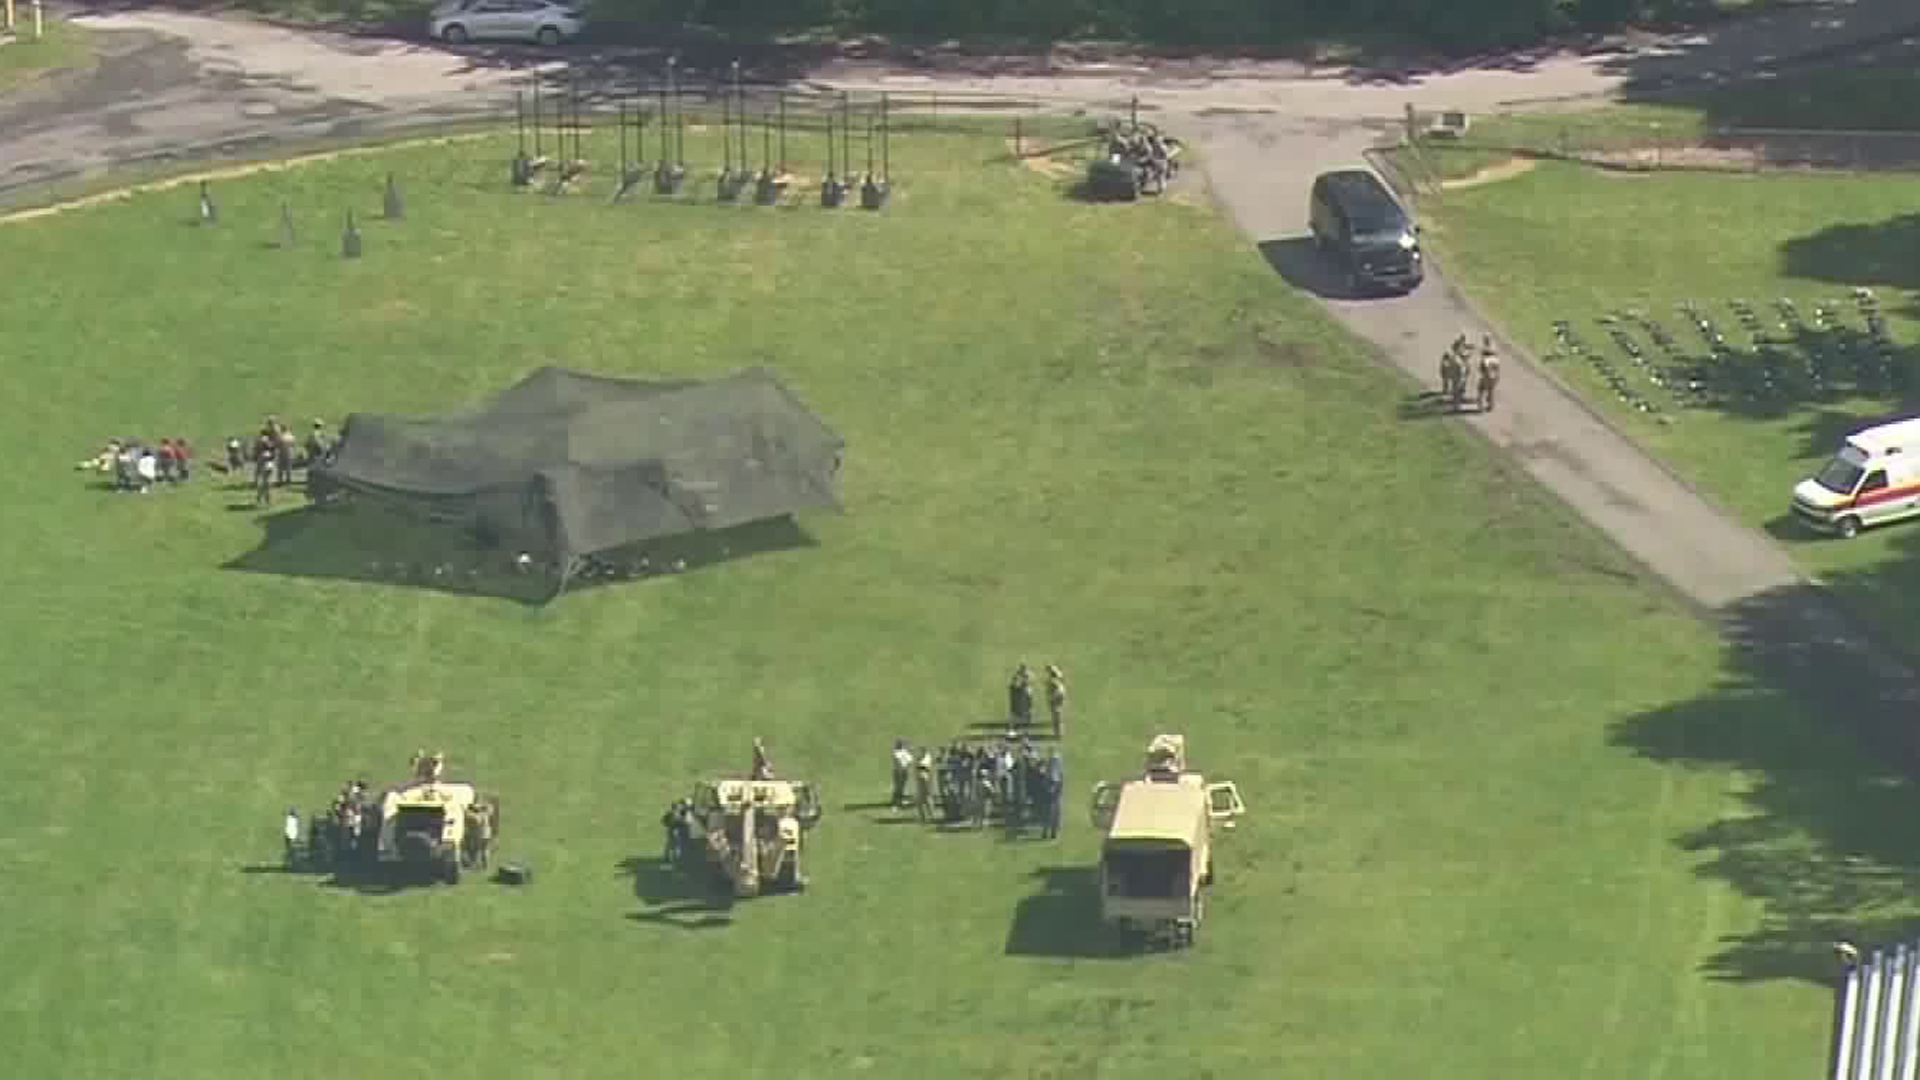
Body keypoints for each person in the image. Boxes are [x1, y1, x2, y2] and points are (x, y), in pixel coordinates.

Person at [1043, 750, 1064, 840]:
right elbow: (1049, 782)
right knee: (1049, 814)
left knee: (1054, 815)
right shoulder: (1051, 770)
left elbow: (1059, 783)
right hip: (1051, 797)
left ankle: (1052, 833)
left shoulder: (1056, 770)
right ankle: (1047, 832)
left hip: (1055, 796)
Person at [1477, 335, 1502, 413]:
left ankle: (1480, 407)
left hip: (1486, 377)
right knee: (1491, 391)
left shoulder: (1485, 360)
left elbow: (1481, 370)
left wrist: (1483, 377)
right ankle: (1491, 406)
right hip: (1495, 377)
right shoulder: (1496, 359)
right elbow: (1498, 370)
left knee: (1480, 390)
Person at [1046, 665, 1068, 739]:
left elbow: (1059, 692)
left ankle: (1058, 734)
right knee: (1056, 718)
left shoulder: (1055, 683)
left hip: (1056, 703)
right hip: (1056, 702)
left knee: (1057, 719)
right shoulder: (1056, 679)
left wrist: (1051, 698)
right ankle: (1057, 733)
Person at [890, 739, 914, 808]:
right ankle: (896, 802)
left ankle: (901, 801)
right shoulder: (897, 752)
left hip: (902, 771)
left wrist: (906, 765)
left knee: (902, 786)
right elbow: (900, 761)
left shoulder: (902, 751)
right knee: (899, 787)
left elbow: (909, 760)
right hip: (899, 771)